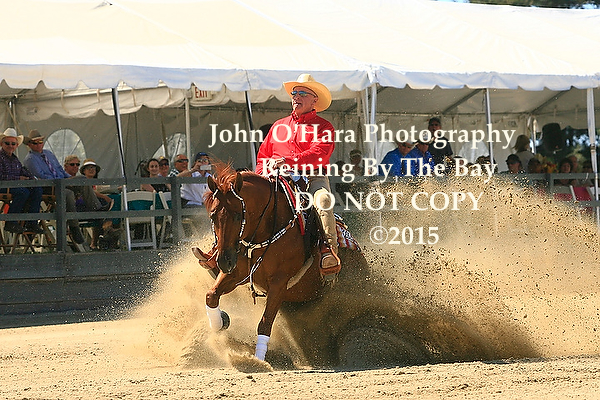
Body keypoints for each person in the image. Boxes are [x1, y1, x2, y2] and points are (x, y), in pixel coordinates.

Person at [255, 73, 340, 277]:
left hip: (312, 177)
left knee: (323, 201)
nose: (296, 97)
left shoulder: (324, 127)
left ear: (314, 100)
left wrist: (289, 161)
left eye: (302, 93)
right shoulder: (278, 126)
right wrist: (260, 177)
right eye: (294, 93)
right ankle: (225, 250)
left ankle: (328, 251)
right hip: (276, 177)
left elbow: (319, 154)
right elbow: (263, 156)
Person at [22, 129, 85, 244]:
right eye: (35, 143)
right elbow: (41, 176)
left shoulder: (48, 153)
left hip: (61, 182)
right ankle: (75, 226)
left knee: (84, 180)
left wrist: (68, 178)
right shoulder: (30, 159)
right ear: (29, 145)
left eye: (40, 142)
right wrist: (62, 181)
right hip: (49, 187)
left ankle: (95, 210)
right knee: (69, 192)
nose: (38, 144)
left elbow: (60, 169)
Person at [0, 128, 44, 234]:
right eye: (7, 143)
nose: (10, 146)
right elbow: (1, 177)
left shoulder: (15, 159)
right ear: (1, 144)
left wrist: (32, 178)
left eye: (13, 144)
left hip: (14, 186)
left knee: (37, 189)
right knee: (23, 192)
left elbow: (22, 171)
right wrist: (18, 178)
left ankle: (32, 222)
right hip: (3, 186)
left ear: (16, 146)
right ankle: (11, 222)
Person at [79, 159, 116, 249]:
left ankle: (100, 240)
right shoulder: (82, 182)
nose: (91, 170)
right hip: (85, 207)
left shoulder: (98, 183)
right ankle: (107, 231)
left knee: (110, 205)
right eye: (88, 168)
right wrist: (103, 196)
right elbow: (89, 193)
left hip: (96, 206)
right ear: (84, 171)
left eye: (93, 168)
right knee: (104, 206)